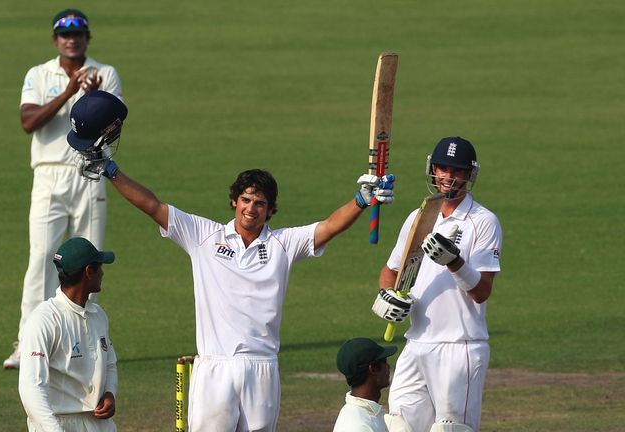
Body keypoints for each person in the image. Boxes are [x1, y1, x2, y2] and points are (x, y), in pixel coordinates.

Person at [63, 91, 397, 431]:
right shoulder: (203, 235)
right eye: (246, 200)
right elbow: (152, 205)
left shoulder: (283, 244)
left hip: (262, 366)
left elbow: (327, 227)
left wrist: (361, 200)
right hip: (215, 367)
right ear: (234, 202)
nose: (252, 208)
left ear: (270, 210)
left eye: (260, 203)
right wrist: (111, 170)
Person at [4, 8, 123, 369]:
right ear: (56, 39)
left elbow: (114, 127)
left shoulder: (106, 74)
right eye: (64, 34)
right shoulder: (39, 74)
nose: (72, 39)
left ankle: (89, 346)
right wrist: (69, 92)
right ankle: (27, 344)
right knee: (41, 258)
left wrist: (95, 98)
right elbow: (28, 122)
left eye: (79, 33)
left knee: (90, 259)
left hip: (90, 172)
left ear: (88, 37)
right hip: (49, 174)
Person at [373, 137, 502, 432]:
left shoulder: (483, 222)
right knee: (399, 425)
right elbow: (392, 270)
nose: (447, 177)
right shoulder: (419, 216)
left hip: (461, 347)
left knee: (451, 428)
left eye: (456, 171)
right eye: (442, 168)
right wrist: (386, 295)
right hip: (416, 343)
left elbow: (482, 292)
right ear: (432, 168)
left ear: (469, 175)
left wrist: (453, 261)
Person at [18, 237, 119, 432]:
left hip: (99, 424)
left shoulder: (99, 315)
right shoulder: (44, 320)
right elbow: (31, 388)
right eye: (100, 267)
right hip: (57, 423)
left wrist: (109, 393)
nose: (103, 273)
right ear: (89, 271)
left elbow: (110, 364)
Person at [333, 337, 399, 432]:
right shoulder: (359, 426)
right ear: (373, 369)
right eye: (384, 361)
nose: (388, 366)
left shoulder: (365, 413)